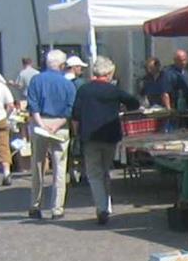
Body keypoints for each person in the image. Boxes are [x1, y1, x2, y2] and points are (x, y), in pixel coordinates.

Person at [71, 55, 142, 225]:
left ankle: (102, 207)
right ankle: (106, 205)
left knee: (94, 174)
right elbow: (134, 103)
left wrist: (76, 135)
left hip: (89, 137)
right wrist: (120, 106)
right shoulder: (113, 90)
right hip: (110, 136)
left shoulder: (84, 90)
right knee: (105, 171)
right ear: (109, 73)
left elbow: (75, 116)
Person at [24, 48, 77, 219]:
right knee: (60, 168)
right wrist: (57, 125)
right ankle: (57, 208)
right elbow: (70, 109)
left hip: (40, 124)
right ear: (62, 65)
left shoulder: (36, 80)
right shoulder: (68, 84)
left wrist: (41, 124)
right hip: (60, 125)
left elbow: (33, 106)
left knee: (38, 165)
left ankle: (35, 204)